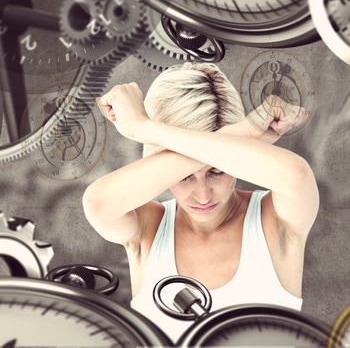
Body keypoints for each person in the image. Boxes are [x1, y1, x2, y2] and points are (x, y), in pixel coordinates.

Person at [82, 62, 319, 343]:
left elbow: (295, 176)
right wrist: (240, 135)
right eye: (184, 177)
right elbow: (97, 204)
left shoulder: (274, 220)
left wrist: (142, 126)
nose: (203, 195)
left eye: (217, 172)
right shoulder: (148, 228)